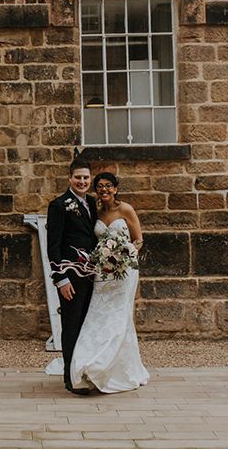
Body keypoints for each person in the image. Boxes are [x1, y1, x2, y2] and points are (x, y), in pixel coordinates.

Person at [69, 171, 150, 393]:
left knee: (118, 317)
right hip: (102, 272)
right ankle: (90, 364)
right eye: (100, 187)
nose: (104, 190)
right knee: (98, 315)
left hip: (124, 271)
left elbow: (139, 240)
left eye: (108, 186)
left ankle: (101, 367)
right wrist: (103, 257)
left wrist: (125, 253)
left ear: (115, 188)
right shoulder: (95, 212)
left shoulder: (126, 209)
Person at [46, 158, 98, 395]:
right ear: (70, 179)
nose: (82, 181)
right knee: (72, 325)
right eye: (78, 177)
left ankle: (87, 372)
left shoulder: (93, 204)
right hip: (71, 278)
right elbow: (53, 246)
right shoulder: (59, 205)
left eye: (86, 178)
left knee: (89, 326)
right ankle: (70, 378)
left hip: (93, 277)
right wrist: (61, 278)